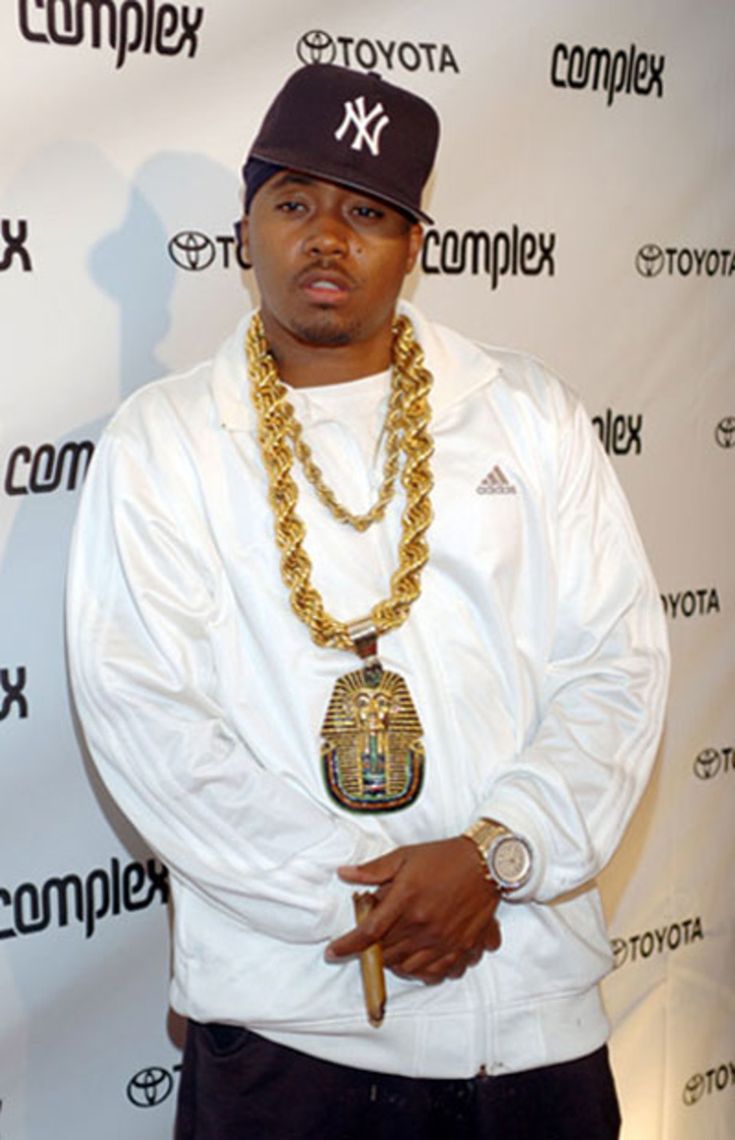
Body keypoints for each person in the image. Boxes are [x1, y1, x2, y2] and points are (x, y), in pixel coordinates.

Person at [67, 63, 669, 1139]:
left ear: (416, 244)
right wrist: (375, 902)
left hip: (532, 1022)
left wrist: (495, 856)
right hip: (293, 1040)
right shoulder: (163, 444)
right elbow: (151, 724)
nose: (327, 238)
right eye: (294, 202)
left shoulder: (526, 412)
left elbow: (615, 667)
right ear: (244, 227)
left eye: (368, 211)